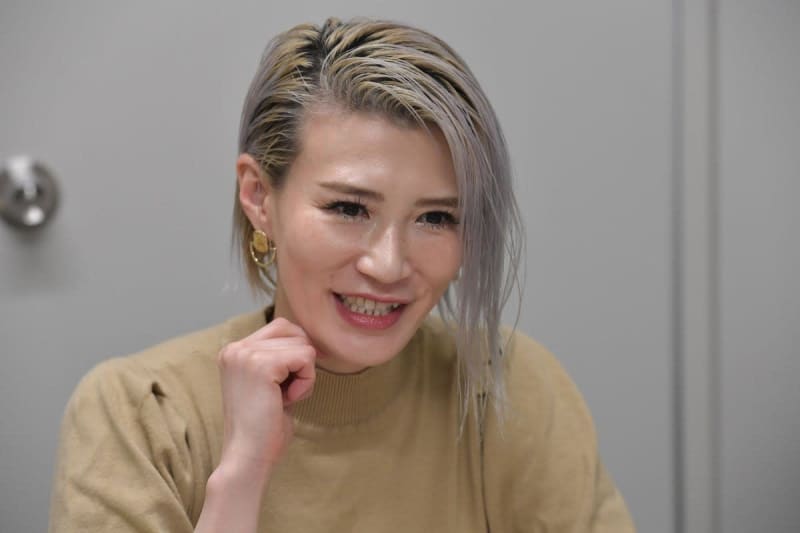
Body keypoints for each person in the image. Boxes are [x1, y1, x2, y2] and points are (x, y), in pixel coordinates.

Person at [49, 17, 635, 532]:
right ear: (259, 197)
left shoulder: (509, 386)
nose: (388, 265)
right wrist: (242, 474)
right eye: (349, 208)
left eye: (436, 218)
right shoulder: (140, 414)